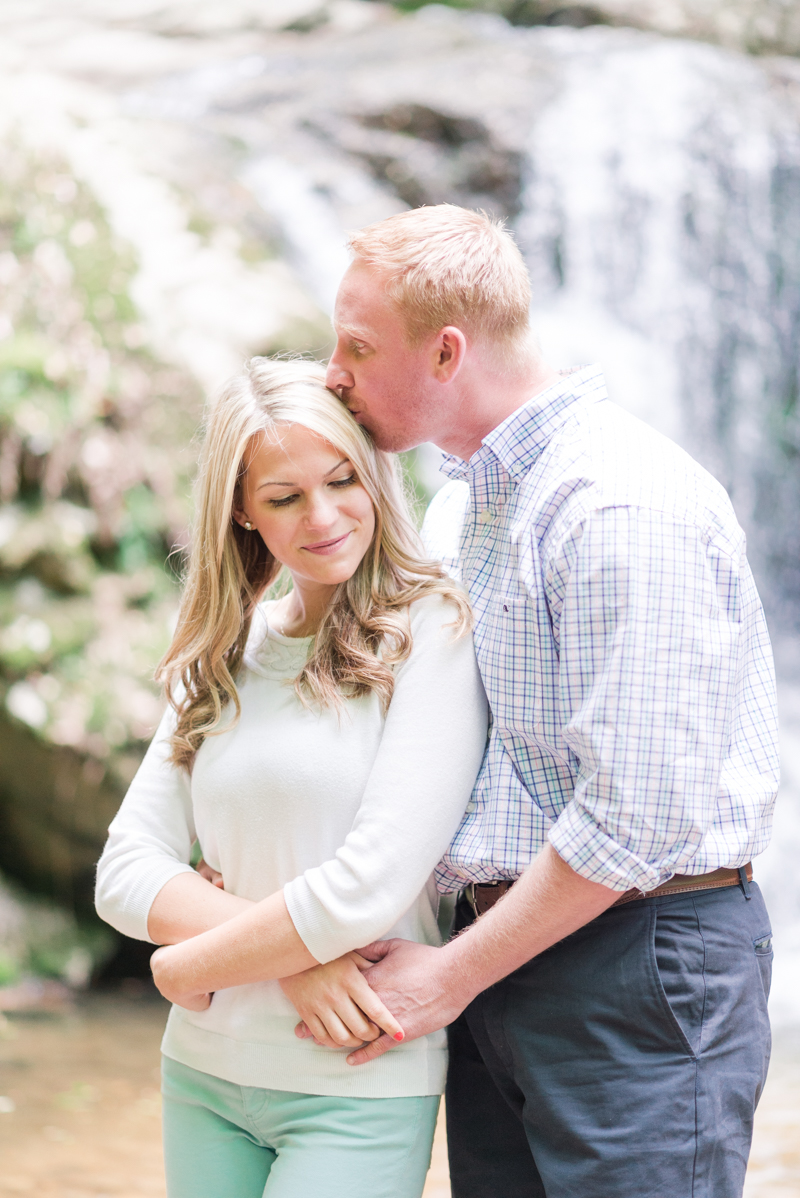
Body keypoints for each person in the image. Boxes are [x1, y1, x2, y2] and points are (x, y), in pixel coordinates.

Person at [287, 203, 779, 1198]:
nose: (330, 372)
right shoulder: (467, 499)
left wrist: (450, 973)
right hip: (506, 956)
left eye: (356, 346)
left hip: (636, 964)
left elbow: (633, 820)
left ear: (446, 353)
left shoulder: (616, 504)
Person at [94, 358, 489, 1198]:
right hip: (202, 1073)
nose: (325, 517)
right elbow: (124, 870)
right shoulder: (227, 649)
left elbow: (369, 888)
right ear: (242, 511)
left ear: (373, 468)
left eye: (343, 479)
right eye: (283, 498)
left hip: (353, 1076)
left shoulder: (434, 629)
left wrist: (183, 964)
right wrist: (287, 965)